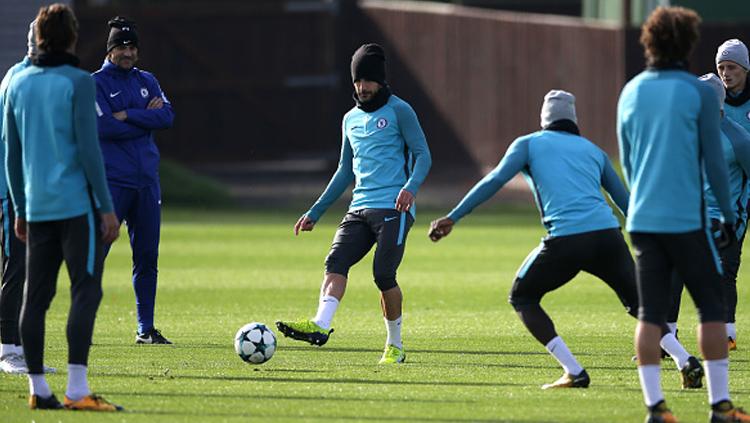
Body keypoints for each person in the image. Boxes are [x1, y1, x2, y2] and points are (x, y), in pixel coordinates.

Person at [429, 90, 702, 391]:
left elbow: (494, 180)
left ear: (543, 118)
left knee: (523, 297)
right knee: (641, 306)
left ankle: (573, 370)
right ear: (573, 119)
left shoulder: (529, 144)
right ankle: (685, 359)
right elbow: (624, 200)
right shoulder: (592, 150)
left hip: (567, 240)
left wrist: (454, 216)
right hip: (608, 237)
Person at [617, 6, 750, 422]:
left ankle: (656, 408)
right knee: (711, 307)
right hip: (687, 218)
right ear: (687, 44)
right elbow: (713, 158)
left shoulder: (632, 91)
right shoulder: (697, 93)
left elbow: (629, 161)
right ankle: (719, 406)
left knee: (651, 313)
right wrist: (728, 216)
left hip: (643, 217)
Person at [275, 43, 431, 364]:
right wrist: (315, 212)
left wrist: (410, 188)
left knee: (383, 274)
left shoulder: (400, 110)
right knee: (335, 261)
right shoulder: (349, 119)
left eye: (368, 81)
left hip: (394, 208)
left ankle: (395, 346)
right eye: (358, 81)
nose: (362, 87)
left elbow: (423, 155)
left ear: (381, 81)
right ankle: (320, 324)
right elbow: (345, 171)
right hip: (359, 208)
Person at [3, 3, 121, 411]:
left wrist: (19, 208)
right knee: (86, 290)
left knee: (35, 299)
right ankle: (76, 389)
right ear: (72, 37)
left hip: (35, 209)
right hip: (75, 207)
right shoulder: (78, 82)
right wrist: (106, 208)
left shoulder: (17, 82)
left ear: (37, 37)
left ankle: (38, 390)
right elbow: (89, 152)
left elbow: (11, 157)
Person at [92, 16, 174, 344]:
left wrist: (129, 115)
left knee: (147, 256)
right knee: (97, 254)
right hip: (114, 182)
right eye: (121, 47)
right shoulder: (95, 83)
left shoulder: (147, 80)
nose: (127, 52)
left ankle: (145, 328)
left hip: (146, 183)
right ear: (110, 50)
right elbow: (102, 128)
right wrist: (145, 119)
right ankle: (83, 324)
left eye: (131, 47)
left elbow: (167, 116)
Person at [666, 74, 750, 353]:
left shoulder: (738, 138)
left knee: (722, 276)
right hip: (688, 218)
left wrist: (740, 215)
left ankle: (726, 335)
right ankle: (668, 338)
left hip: (724, 220)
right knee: (673, 273)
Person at [0, 21, 48, 375]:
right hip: (13, 192)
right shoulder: (19, 80)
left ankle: (21, 349)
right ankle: (7, 350)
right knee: (15, 269)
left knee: (30, 271)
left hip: (33, 192)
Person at [717, 39, 750, 135]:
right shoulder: (713, 102)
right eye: (721, 68)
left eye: (731, 67)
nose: (725, 73)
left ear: (745, 68)